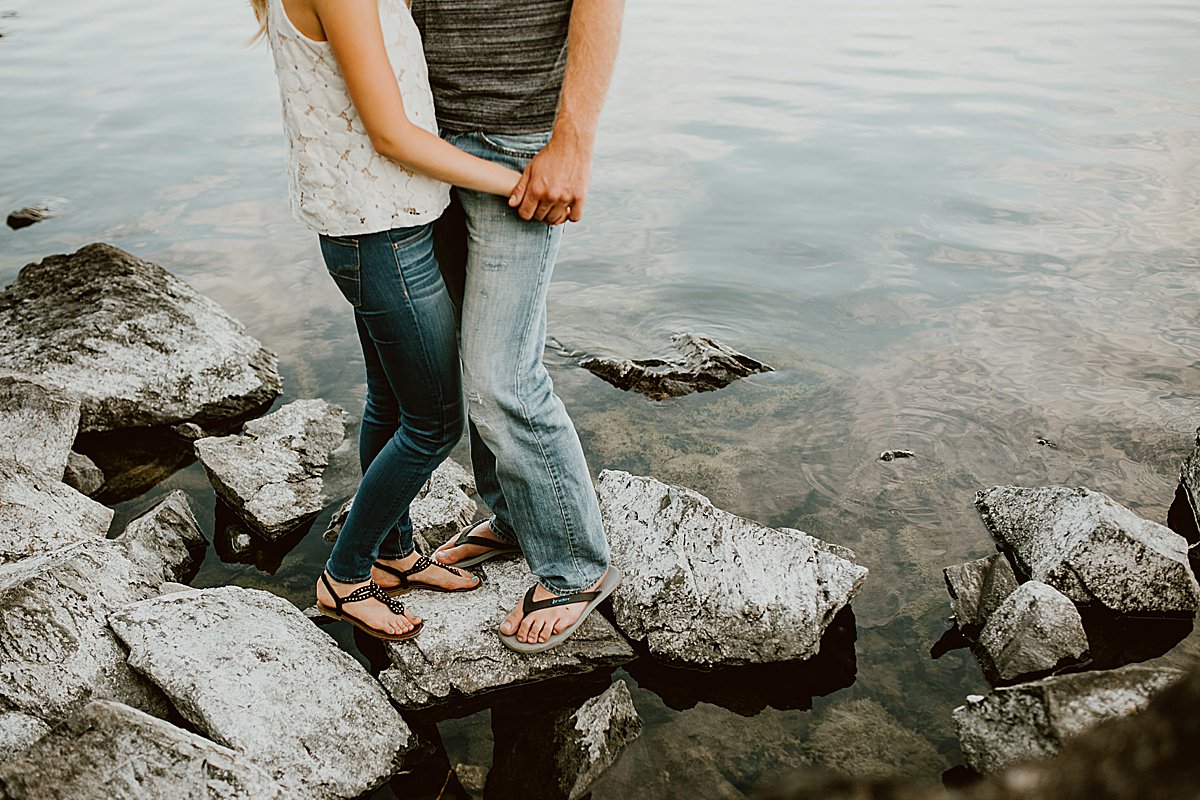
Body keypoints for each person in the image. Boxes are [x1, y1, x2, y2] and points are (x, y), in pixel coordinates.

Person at [250, 0, 530, 640]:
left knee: (390, 403)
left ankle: (393, 554)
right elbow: (391, 134)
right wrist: (513, 182)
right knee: (432, 425)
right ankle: (344, 579)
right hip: (382, 238)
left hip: (374, 229)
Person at [418, 0, 627, 652]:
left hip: (517, 145)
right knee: (460, 349)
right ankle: (513, 516)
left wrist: (572, 144)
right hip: (424, 138)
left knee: (500, 375)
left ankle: (575, 566)